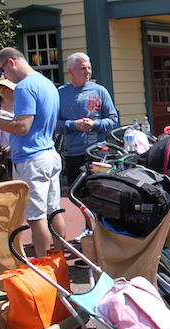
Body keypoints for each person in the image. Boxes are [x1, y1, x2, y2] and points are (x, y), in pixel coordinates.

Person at [0, 47, 65, 254]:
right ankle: (59, 263)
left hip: (32, 159)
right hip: (49, 154)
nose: (4, 77)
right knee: (54, 211)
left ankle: (42, 267)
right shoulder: (47, 84)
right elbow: (34, 121)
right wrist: (1, 115)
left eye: (2, 71)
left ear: (11, 63)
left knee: (36, 218)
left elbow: (22, 127)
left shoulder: (24, 87)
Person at [56, 52, 118, 243]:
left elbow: (113, 119)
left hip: (98, 153)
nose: (87, 71)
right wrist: (74, 125)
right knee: (79, 195)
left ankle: (100, 231)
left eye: (89, 67)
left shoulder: (100, 91)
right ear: (71, 71)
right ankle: (89, 227)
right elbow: (52, 124)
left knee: (99, 193)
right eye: (82, 68)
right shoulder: (60, 94)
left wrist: (95, 124)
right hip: (74, 153)